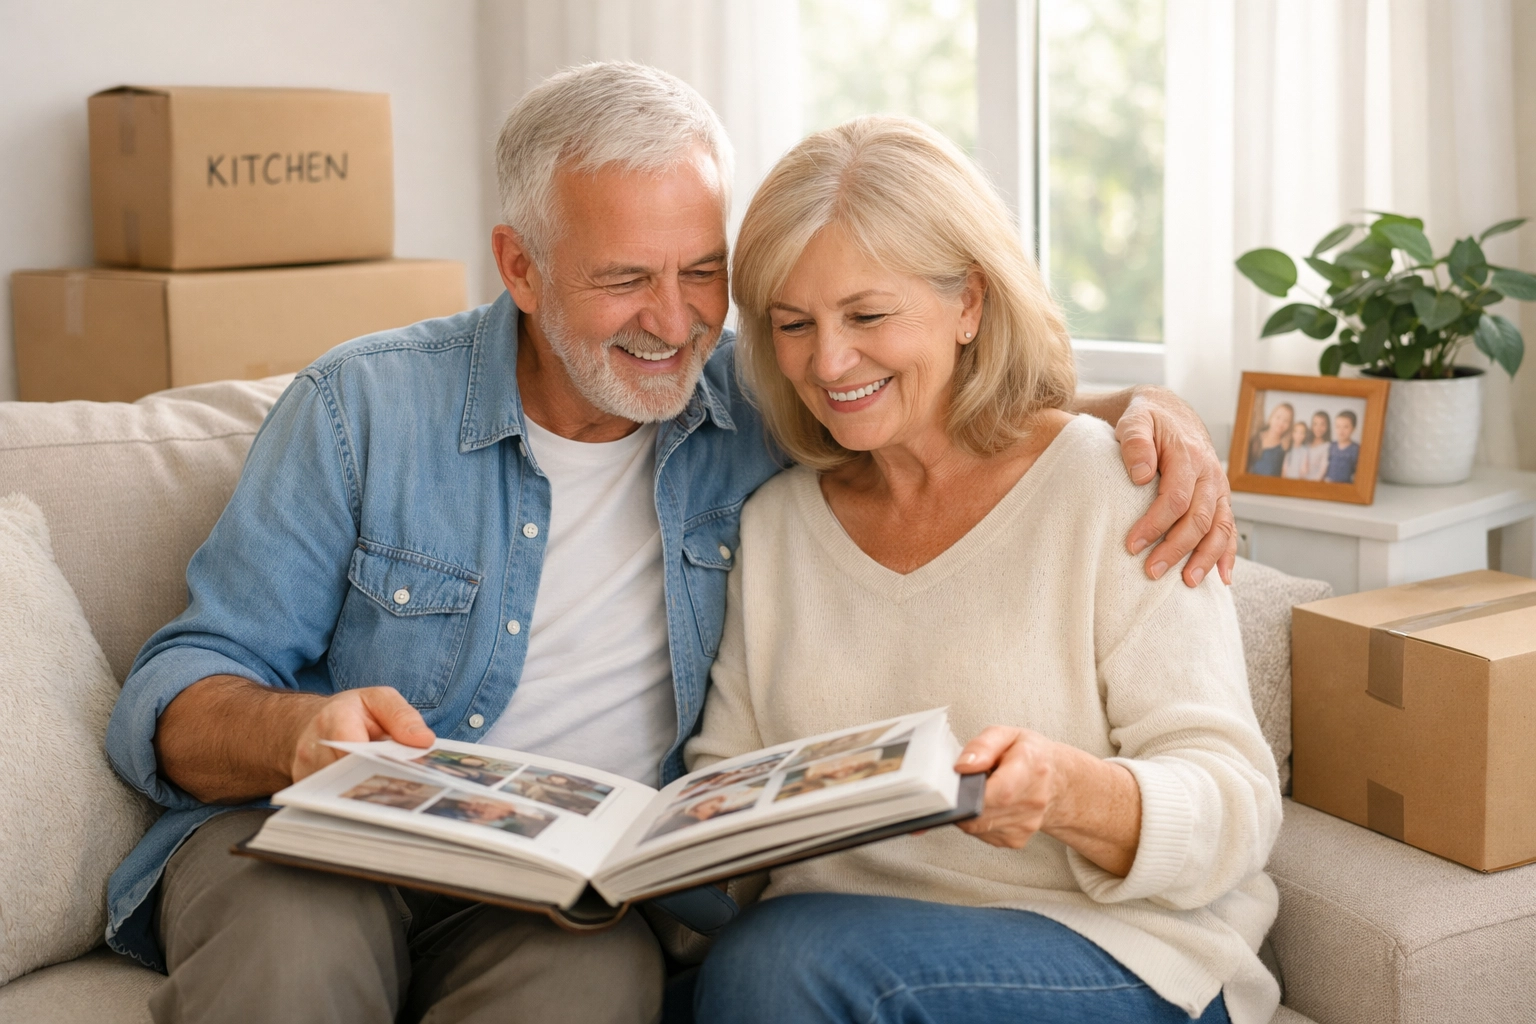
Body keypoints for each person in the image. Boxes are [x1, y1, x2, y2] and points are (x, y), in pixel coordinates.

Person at [102, 64, 1238, 1024]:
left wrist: (1145, 414)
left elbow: (935, 402)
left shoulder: (752, 404)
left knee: (596, 984)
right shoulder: (363, 410)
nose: (674, 319)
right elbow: (179, 688)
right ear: (521, 267)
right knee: (299, 952)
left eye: (702, 273)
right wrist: (300, 736)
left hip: (554, 888)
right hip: (318, 843)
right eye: (624, 279)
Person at [687, 117, 1281, 1024]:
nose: (829, 361)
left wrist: (1073, 795)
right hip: (828, 956)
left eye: (867, 316)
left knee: (774, 967)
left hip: (1117, 955)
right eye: (794, 324)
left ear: (968, 304)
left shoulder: (1110, 484)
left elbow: (1236, 804)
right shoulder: (775, 529)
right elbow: (727, 784)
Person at [1247, 402, 1293, 476]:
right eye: (1278, 417)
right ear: (1271, 418)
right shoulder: (1255, 438)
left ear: (1289, 425)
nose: (1281, 423)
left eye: (1286, 421)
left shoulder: (1284, 449)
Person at [1325, 409, 1360, 483]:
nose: (1341, 430)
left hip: (1346, 485)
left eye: (1346, 427)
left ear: (1353, 428)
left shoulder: (1356, 448)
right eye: (1338, 426)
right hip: (1329, 482)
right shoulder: (1331, 445)